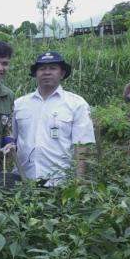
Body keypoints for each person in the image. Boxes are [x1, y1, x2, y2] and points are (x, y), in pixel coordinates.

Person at [12, 51, 95, 185]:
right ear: (35, 74)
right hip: (23, 181)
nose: (47, 72)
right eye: (42, 68)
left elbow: (82, 146)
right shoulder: (19, 104)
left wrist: (78, 183)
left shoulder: (76, 104)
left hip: (60, 183)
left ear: (62, 73)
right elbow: (12, 140)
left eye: (53, 68)